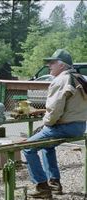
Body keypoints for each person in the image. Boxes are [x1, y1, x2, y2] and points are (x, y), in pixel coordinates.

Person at [23, 49, 87, 199]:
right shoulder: (80, 78)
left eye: (52, 63)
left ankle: (42, 186)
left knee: (27, 147)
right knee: (47, 145)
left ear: (62, 65)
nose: (49, 65)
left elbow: (54, 111)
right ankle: (54, 183)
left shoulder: (60, 81)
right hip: (80, 126)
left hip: (64, 127)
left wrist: (46, 124)